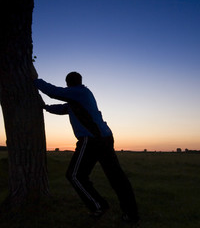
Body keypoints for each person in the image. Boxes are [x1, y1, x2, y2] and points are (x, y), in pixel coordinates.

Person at [34, 72, 139, 222]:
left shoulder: (79, 92)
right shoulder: (80, 97)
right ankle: (131, 214)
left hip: (92, 140)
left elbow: (53, 92)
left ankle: (99, 206)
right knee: (116, 177)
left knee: (75, 175)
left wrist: (35, 80)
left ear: (68, 83)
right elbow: (64, 108)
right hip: (105, 138)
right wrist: (46, 108)